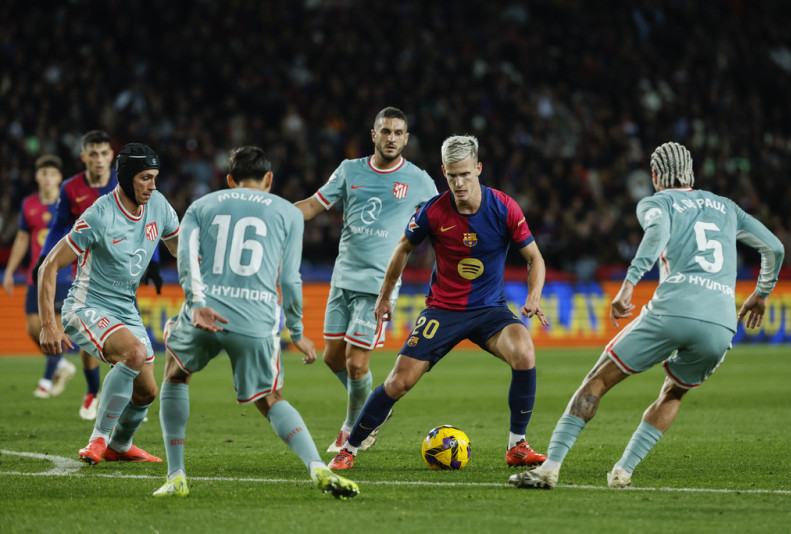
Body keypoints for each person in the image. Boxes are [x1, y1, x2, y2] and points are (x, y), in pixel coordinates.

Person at [509, 142, 785, 490]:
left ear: (655, 176)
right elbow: (774, 248)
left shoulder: (658, 202)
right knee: (674, 393)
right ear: (692, 173)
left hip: (673, 309)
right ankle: (623, 471)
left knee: (597, 381)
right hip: (720, 322)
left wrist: (628, 286)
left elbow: (656, 235)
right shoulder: (728, 208)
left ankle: (549, 468)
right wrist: (761, 294)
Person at [328, 134, 550, 470]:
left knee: (525, 352)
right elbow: (403, 248)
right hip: (443, 310)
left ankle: (517, 445)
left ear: (478, 168)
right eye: (451, 176)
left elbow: (535, 258)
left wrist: (533, 297)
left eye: (465, 174)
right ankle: (350, 448)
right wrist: (385, 296)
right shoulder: (433, 211)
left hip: (490, 310)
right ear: (443, 173)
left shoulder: (504, 207)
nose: (459, 183)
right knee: (398, 382)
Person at [154, 146, 358, 499]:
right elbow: (292, 280)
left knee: (175, 373)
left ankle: (176, 476)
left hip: (207, 313)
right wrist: (296, 331)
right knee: (270, 397)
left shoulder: (202, 206)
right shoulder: (288, 212)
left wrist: (196, 303)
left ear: (230, 179)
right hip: (257, 319)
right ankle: (317, 466)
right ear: (269, 179)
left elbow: (185, 256)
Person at [294, 107, 438, 453]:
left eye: (398, 132)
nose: (391, 138)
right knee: (333, 358)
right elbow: (313, 206)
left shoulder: (419, 179)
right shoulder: (349, 170)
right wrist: (274, 213)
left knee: (357, 363)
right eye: (385, 131)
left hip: (379, 285)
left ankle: (354, 428)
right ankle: (375, 407)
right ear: (373, 135)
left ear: (406, 138)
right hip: (343, 277)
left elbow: (443, 222)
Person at [38, 142, 180, 465]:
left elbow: (178, 247)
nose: (153, 185)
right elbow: (48, 266)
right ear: (128, 176)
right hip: (86, 306)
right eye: (146, 178)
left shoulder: (157, 204)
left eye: (155, 177)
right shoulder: (99, 214)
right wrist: (49, 324)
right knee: (134, 352)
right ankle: (98, 440)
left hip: (125, 308)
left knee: (147, 391)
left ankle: (120, 444)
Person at [3, 155, 76, 398]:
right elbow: (23, 238)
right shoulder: (28, 205)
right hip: (36, 274)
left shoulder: (67, 204)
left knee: (53, 326)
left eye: (52, 174)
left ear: (59, 178)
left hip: (62, 274)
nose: (47, 178)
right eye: (43, 173)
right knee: (33, 327)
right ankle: (62, 363)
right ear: (37, 177)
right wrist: (11, 271)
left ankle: (46, 381)